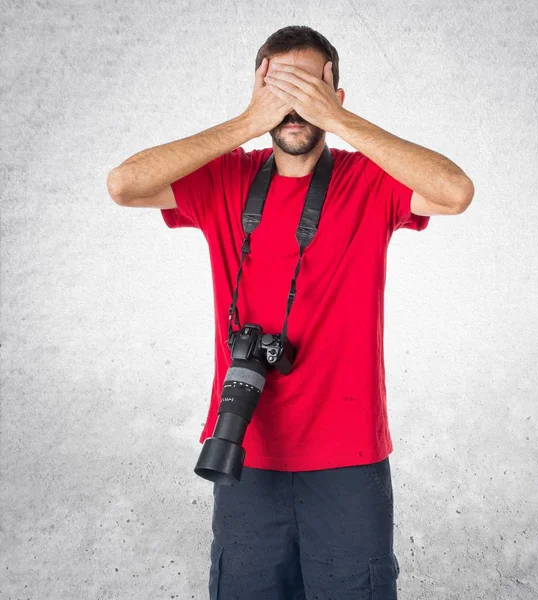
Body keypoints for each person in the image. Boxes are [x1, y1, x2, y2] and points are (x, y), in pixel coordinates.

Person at [107, 24, 474, 600]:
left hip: (349, 455)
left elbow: (455, 192)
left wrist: (340, 122)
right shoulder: (227, 178)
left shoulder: (369, 180)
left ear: (336, 97)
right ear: (258, 93)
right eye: (282, 90)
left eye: (309, 90)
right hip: (242, 448)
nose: (294, 107)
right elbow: (124, 185)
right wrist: (250, 121)